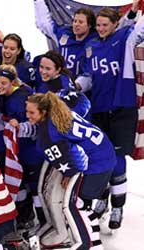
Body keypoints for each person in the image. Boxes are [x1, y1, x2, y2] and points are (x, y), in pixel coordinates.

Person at [75, 6, 144, 230]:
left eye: (106, 25)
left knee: (117, 157)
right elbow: (88, 77)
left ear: (116, 24)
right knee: (100, 157)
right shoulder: (91, 45)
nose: (101, 29)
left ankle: (118, 205)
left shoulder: (125, 38)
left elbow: (137, 27)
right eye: (99, 25)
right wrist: (76, 85)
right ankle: (102, 198)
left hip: (122, 107)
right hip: (99, 108)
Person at [26, 92, 115, 249]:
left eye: (31, 112)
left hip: (98, 164)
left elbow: (75, 154)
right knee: (78, 202)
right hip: (104, 153)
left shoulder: (50, 134)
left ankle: (90, 244)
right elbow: (83, 103)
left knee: (76, 204)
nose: (28, 116)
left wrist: (70, 172)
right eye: (27, 111)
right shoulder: (61, 111)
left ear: (44, 112)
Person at [0, 64, 46, 228]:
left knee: (34, 185)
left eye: (3, 83)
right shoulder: (3, 96)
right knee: (21, 183)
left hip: (30, 149)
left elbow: (35, 124)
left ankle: (43, 220)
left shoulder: (22, 97)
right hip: (17, 150)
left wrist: (20, 127)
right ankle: (25, 216)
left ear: (12, 82)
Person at [34, 0, 140, 77]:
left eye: (80, 22)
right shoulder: (63, 35)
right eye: (75, 21)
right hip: (62, 86)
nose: (76, 25)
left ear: (89, 25)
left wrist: (132, 12)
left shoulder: (95, 39)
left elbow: (118, 30)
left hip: (86, 89)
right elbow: (44, 23)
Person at [37, 50, 91, 119]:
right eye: (41, 67)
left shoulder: (63, 86)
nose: (43, 72)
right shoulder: (50, 79)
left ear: (58, 70)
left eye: (48, 69)